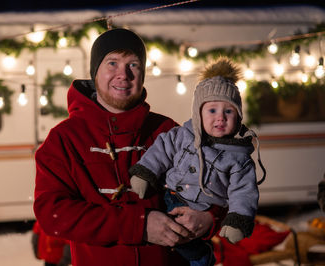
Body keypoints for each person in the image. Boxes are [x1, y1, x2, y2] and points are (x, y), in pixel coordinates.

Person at [33, 28, 227, 266]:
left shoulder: (167, 131)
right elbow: (52, 213)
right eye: (112, 63)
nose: (123, 75)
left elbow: (217, 183)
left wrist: (210, 216)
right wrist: (138, 225)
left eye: (133, 65)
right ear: (95, 72)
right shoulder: (64, 139)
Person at [129, 57, 266, 265]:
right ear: (198, 113)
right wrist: (145, 172)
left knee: (187, 243)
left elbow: (243, 192)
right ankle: (197, 254)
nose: (220, 117)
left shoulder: (239, 159)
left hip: (204, 208)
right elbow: (161, 151)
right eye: (212, 110)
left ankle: (202, 257)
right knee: (162, 227)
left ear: (238, 119)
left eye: (228, 111)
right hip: (171, 196)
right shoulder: (182, 136)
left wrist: (238, 219)